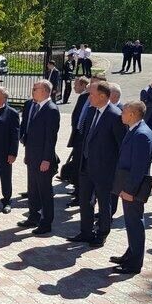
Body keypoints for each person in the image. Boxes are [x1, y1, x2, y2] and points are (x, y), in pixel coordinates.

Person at [67, 81, 126, 247]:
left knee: (104, 202)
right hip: (86, 166)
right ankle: (86, 232)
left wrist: (115, 170)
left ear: (102, 96)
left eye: (91, 94)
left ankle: (102, 233)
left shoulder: (115, 115)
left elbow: (121, 145)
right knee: (85, 201)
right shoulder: (92, 111)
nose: (88, 97)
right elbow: (86, 138)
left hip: (104, 170)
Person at [110, 101, 152, 274]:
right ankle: (131, 254)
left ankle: (135, 263)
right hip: (128, 186)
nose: (121, 114)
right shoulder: (135, 130)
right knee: (132, 223)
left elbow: (138, 167)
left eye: (124, 112)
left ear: (133, 114)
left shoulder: (141, 134)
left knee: (135, 224)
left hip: (133, 190)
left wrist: (129, 190)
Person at [18, 80, 60, 235]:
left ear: (45, 91)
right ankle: (33, 216)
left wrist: (46, 159)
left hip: (43, 159)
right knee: (33, 189)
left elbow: (51, 138)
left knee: (45, 192)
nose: (32, 91)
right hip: (32, 156)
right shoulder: (35, 106)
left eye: (35, 89)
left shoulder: (51, 109)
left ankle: (46, 222)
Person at [65, 77, 91, 207]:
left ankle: (82, 196)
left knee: (82, 168)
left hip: (86, 142)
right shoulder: (83, 98)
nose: (74, 87)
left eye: (76, 85)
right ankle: (77, 191)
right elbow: (77, 116)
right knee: (76, 166)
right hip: (78, 137)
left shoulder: (93, 101)